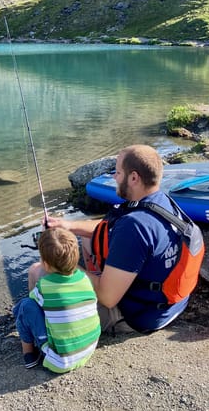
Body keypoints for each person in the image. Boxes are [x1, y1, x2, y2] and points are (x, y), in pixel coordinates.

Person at [30, 144, 198, 334]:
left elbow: (108, 298)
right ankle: (103, 279)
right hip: (168, 302)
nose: (114, 177)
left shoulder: (134, 227)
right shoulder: (159, 201)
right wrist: (68, 226)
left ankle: (38, 328)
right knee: (88, 238)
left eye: (117, 172)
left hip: (138, 315)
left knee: (37, 271)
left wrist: (62, 264)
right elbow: (105, 228)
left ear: (133, 178)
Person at [13, 227, 101, 372]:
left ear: (45, 265)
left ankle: (29, 353)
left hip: (61, 361)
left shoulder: (44, 286)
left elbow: (32, 304)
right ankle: (16, 314)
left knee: (25, 306)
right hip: (88, 348)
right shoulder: (85, 279)